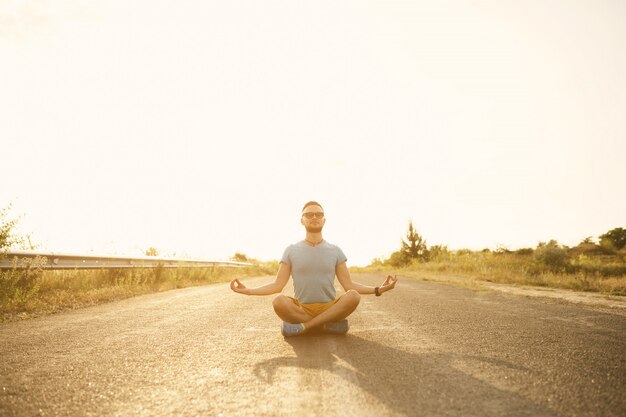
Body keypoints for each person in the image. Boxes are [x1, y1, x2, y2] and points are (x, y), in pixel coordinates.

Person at [230, 201, 398, 337]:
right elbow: (277, 285)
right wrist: (249, 291)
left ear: (324, 220)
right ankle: (326, 325)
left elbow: (349, 285)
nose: (314, 217)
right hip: (302, 309)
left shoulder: (335, 250)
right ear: (302, 220)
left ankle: (306, 327)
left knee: (353, 296)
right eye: (309, 214)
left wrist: (378, 289)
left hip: (330, 307)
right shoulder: (291, 250)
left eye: (319, 214)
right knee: (278, 301)